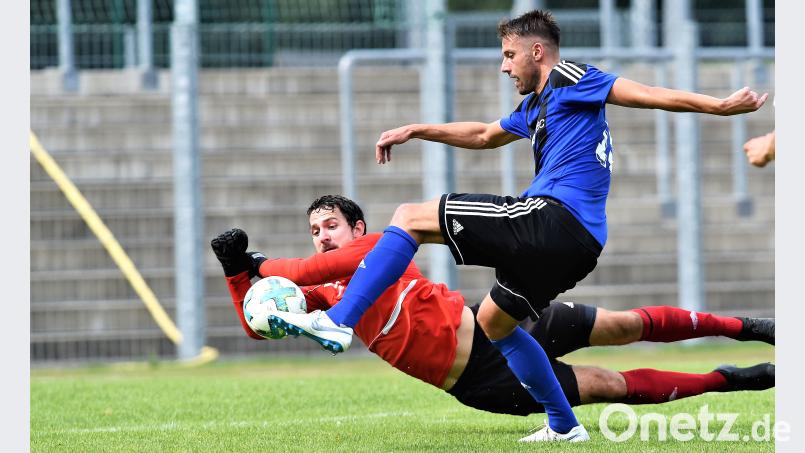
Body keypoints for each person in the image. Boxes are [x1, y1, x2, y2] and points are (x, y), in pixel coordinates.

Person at [266, 10, 769, 441]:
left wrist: (721, 106)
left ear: (535, 51)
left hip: (551, 218)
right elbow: (484, 134)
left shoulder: (572, 77)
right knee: (494, 323)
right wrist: (418, 129)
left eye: (509, 55)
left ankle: (338, 320)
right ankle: (563, 424)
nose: (505, 66)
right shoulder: (535, 106)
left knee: (408, 217)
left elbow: (646, 93)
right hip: (578, 242)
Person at [211, 195, 775, 443]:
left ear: (356, 229)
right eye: (314, 230)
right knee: (612, 386)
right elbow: (256, 323)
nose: (321, 235)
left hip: (494, 320)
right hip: (480, 378)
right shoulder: (319, 294)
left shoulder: (378, 246)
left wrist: (261, 262)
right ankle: (741, 377)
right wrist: (239, 275)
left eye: (329, 224)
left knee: (625, 324)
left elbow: (331, 264)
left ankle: (751, 326)